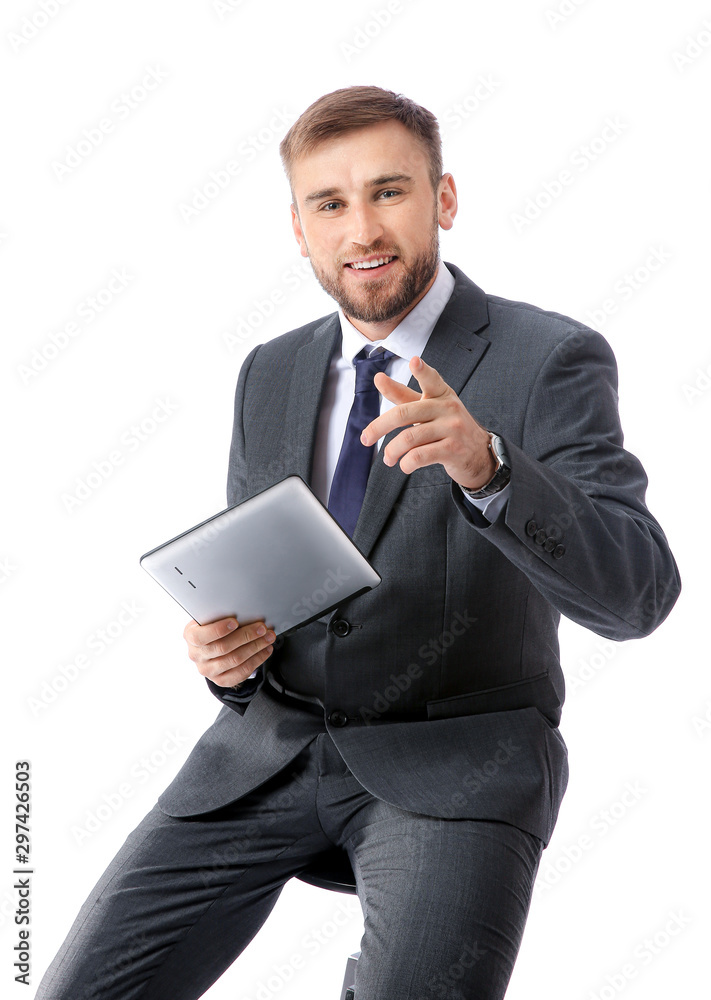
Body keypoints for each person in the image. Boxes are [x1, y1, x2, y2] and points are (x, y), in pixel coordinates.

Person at [37, 85, 681, 1000]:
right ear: (298, 228)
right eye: (329, 203)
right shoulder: (270, 371)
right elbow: (269, 585)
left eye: (390, 192)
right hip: (267, 751)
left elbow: (638, 595)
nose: (361, 230)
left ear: (443, 200)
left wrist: (490, 468)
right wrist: (230, 661)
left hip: (458, 761)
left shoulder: (550, 357)